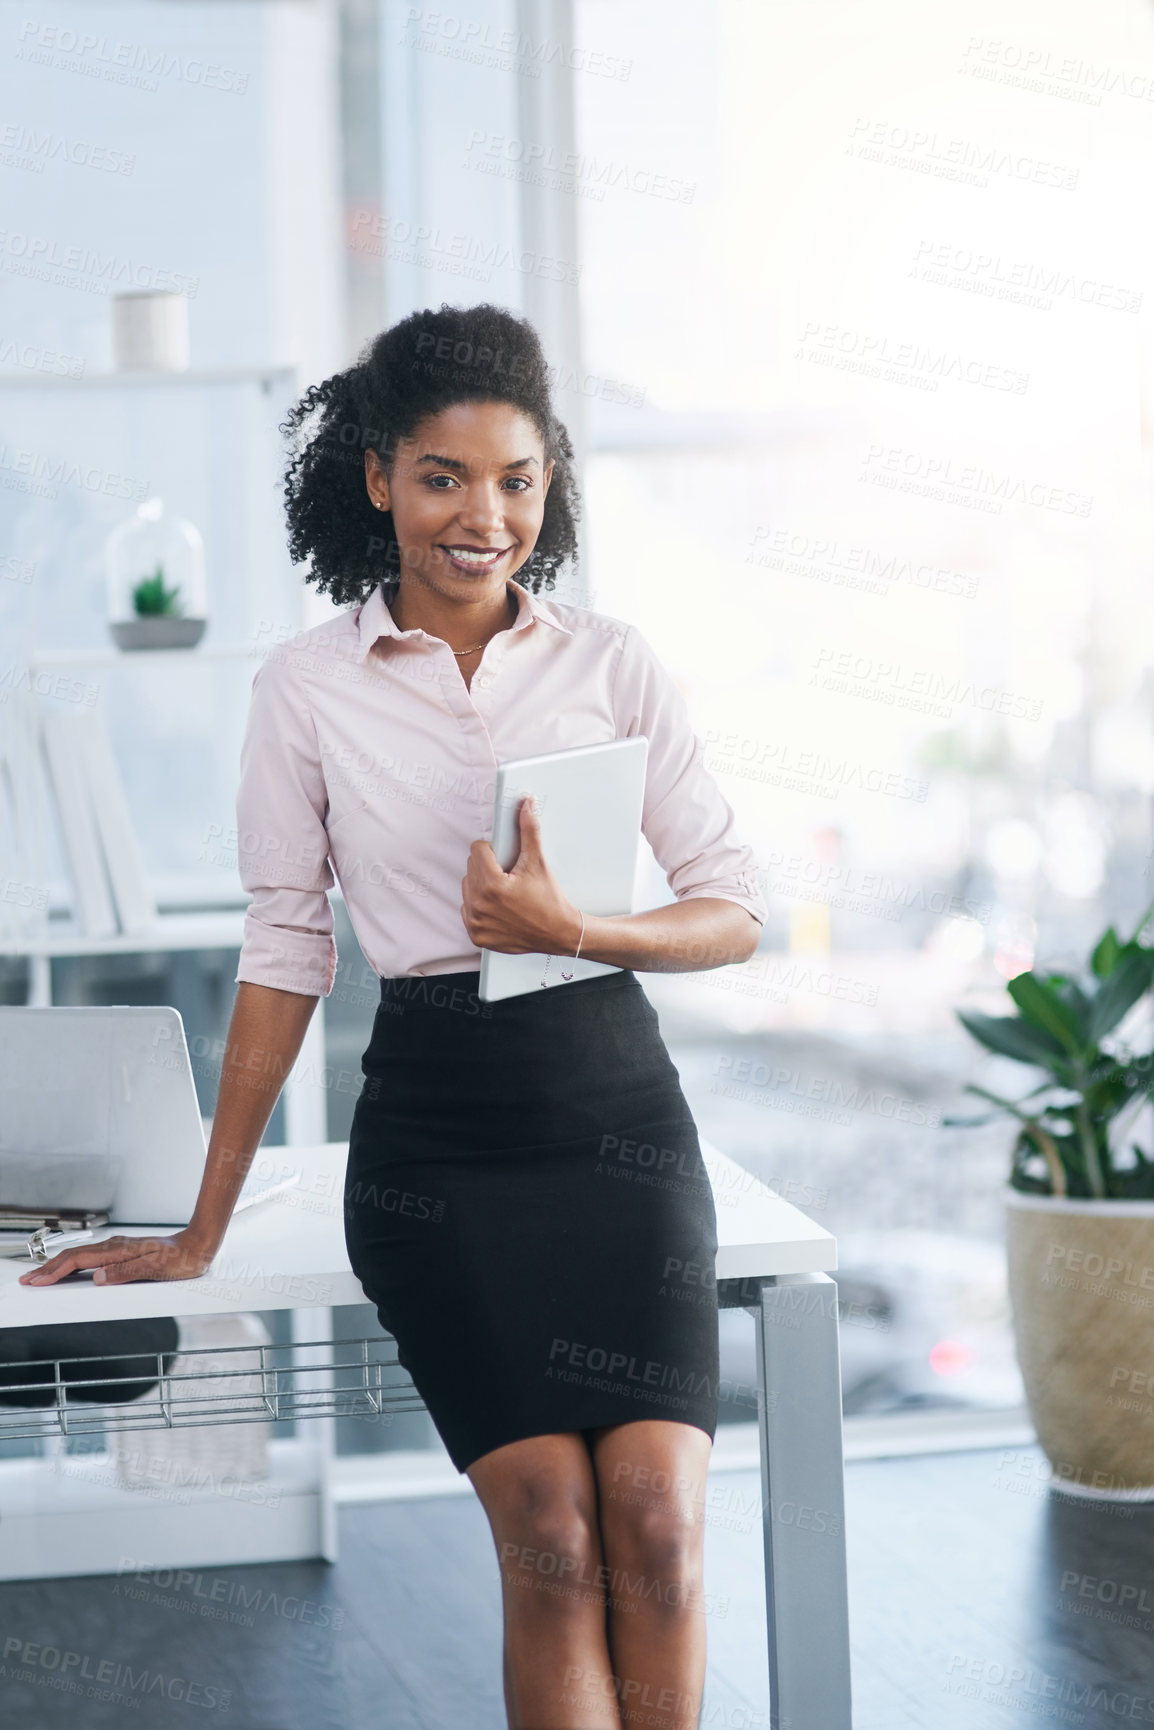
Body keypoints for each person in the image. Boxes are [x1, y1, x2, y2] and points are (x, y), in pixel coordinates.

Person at [23, 303, 768, 1730]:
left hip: (617, 1121)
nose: (481, 516)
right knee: (550, 1533)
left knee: (660, 1534)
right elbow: (286, 947)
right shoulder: (306, 688)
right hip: (443, 1146)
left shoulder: (613, 663)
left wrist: (576, 929)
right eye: (442, 477)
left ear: (548, 483)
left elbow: (728, 905)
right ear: (377, 477)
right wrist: (199, 1222)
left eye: (514, 480)